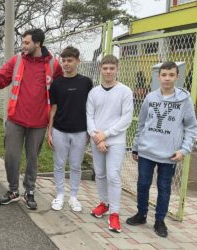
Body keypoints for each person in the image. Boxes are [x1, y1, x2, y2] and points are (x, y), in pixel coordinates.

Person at [0, 28, 62, 210]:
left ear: (38, 44)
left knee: (32, 159)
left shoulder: (53, 65)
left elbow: (60, 91)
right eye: (22, 42)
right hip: (16, 120)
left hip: (39, 123)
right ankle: (13, 190)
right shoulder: (16, 61)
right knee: (11, 157)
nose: (23, 46)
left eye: (26, 43)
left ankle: (29, 191)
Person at [126, 62, 197, 238]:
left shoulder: (184, 100)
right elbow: (141, 124)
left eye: (171, 75)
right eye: (164, 75)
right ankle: (141, 214)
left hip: (169, 155)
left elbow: (191, 127)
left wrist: (184, 149)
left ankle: (159, 221)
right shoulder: (150, 98)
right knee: (142, 184)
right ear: (159, 76)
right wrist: (136, 147)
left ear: (176, 76)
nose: (167, 78)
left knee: (164, 188)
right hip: (147, 151)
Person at [86, 55, 133, 233]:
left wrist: (105, 135)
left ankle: (114, 213)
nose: (108, 71)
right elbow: (89, 116)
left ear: (117, 69)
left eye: (111, 68)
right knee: (100, 174)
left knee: (113, 175)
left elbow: (126, 119)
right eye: (105, 68)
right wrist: (96, 136)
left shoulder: (125, 91)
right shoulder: (94, 92)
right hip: (97, 139)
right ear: (100, 68)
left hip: (115, 141)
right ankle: (104, 203)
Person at [47, 46, 93, 212]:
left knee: (75, 166)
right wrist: (49, 131)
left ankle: (73, 197)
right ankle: (59, 195)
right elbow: (53, 108)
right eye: (63, 60)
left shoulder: (86, 82)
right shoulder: (56, 84)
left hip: (80, 132)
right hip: (60, 130)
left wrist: (89, 131)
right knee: (59, 165)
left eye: (70, 60)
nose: (66, 63)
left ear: (77, 61)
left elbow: (90, 108)